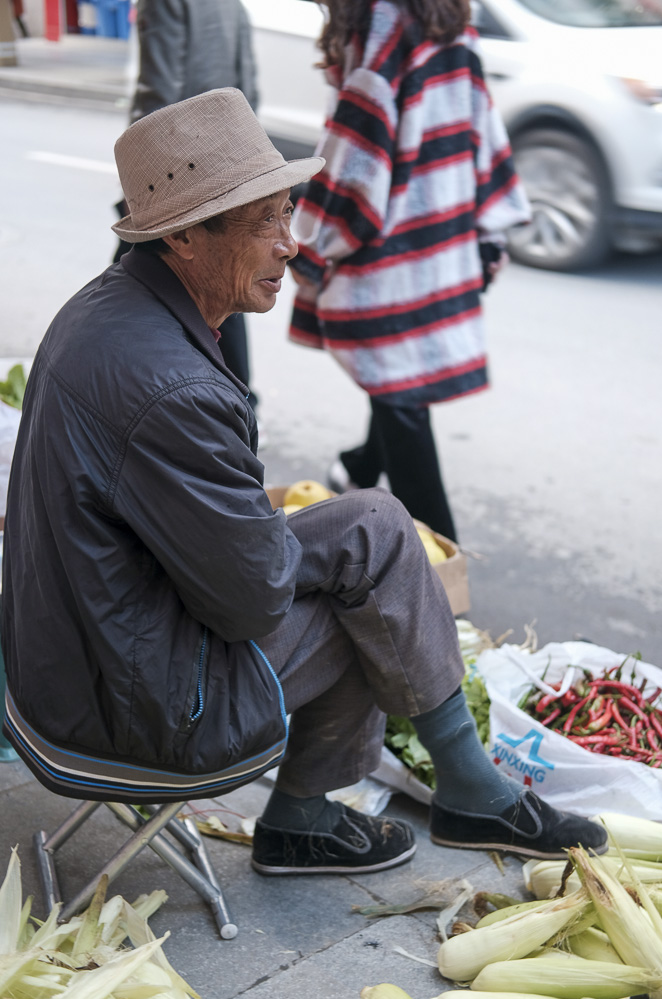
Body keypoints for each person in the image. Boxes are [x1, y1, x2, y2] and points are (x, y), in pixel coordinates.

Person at [1, 89, 606, 875]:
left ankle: (375, 804)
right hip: (131, 713)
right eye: (266, 222)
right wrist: (307, 548)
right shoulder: (172, 386)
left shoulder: (103, 308)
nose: (290, 244)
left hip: (61, 673)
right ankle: (385, 804)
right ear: (183, 235)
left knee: (370, 536)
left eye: (287, 214)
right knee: (373, 582)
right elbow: (251, 602)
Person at [288, 0, 532, 542]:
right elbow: (482, 127)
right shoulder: (448, 20)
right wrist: (487, 230)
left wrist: (310, 243)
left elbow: (357, 158)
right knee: (398, 378)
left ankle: (442, 559)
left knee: (398, 393)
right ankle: (359, 467)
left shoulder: (382, 25)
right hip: (443, 233)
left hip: (391, 249)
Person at [113, 0, 260, 412]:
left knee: (131, 292)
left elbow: (156, 97)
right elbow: (248, 88)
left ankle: (225, 403)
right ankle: (240, 401)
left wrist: (140, 189)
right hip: (226, 168)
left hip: (178, 177)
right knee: (222, 289)